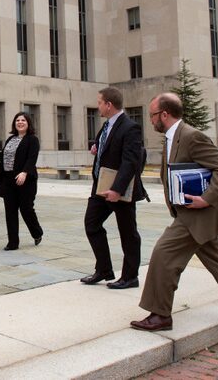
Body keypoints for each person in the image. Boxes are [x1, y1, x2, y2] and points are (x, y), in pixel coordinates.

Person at [130, 93, 218, 342]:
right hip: (192, 214)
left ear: (164, 114)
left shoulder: (191, 136)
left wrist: (207, 198)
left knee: (163, 255)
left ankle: (161, 315)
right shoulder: (171, 138)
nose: (150, 120)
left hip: (196, 215)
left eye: (152, 115)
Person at [81, 87, 146, 290]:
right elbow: (107, 146)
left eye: (99, 102)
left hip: (120, 191)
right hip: (101, 187)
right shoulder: (107, 125)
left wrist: (117, 189)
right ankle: (104, 269)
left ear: (109, 105)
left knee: (128, 232)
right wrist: (96, 148)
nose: (97, 105)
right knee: (91, 224)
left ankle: (130, 276)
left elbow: (131, 161)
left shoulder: (130, 127)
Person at [0, 112, 43, 250]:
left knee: (26, 209)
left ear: (28, 123)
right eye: (17, 120)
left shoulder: (32, 140)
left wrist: (24, 172)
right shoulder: (11, 139)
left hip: (26, 181)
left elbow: (32, 158)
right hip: (8, 181)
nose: (20, 122)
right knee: (10, 211)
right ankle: (13, 242)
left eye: (23, 120)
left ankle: (37, 233)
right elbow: (5, 157)